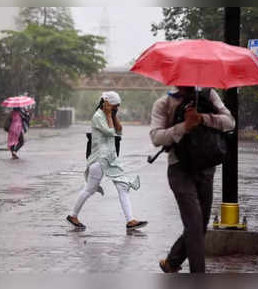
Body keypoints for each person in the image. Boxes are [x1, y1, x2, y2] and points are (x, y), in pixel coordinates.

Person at [150, 86, 235, 273]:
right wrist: (184, 126)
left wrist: (202, 118)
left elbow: (230, 122)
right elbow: (156, 137)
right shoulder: (164, 103)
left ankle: (172, 262)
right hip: (179, 169)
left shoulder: (209, 95)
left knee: (199, 226)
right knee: (195, 226)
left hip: (206, 168)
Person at [66, 91, 147, 231]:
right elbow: (110, 132)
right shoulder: (98, 116)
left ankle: (130, 221)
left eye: (118, 107)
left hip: (110, 159)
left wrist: (113, 115)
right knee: (89, 189)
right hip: (100, 159)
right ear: (106, 103)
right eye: (115, 106)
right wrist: (109, 114)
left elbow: (119, 131)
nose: (117, 109)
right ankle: (73, 216)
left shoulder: (109, 116)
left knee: (123, 187)